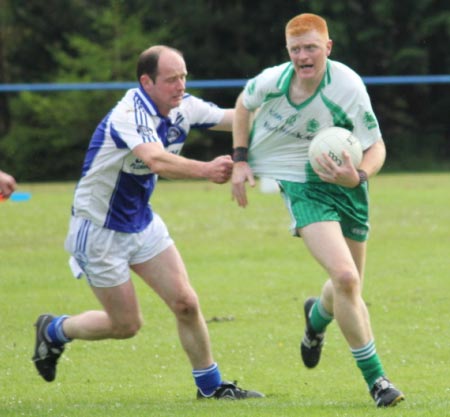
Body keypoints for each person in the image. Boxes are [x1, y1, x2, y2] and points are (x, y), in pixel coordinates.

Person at [32, 45, 264, 400]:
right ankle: (55, 330)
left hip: (141, 223)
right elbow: (157, 161)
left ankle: (211, 387)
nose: (180, 85)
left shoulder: (182, 107)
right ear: (147, 82)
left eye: (184, 76)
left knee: (186, 302)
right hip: (98, 231)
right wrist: (207, 169)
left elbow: (236, 118)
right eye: (172, 79)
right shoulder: (129, 114)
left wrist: (287, 111)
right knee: (126, 325)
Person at [231, 14, 404, 407]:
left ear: (327, 47)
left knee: (349, 284)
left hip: (347, 187)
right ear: (287, 52)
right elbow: (244, 102)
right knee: (345, 276)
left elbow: (376, 147)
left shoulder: (347, 86)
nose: (303, 56)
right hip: (301, 185)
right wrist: (240, 159)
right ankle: (378, 381)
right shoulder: (275, 80)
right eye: (295, 49)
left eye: (311, 48)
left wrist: (357, 177)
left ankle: (315, 320)